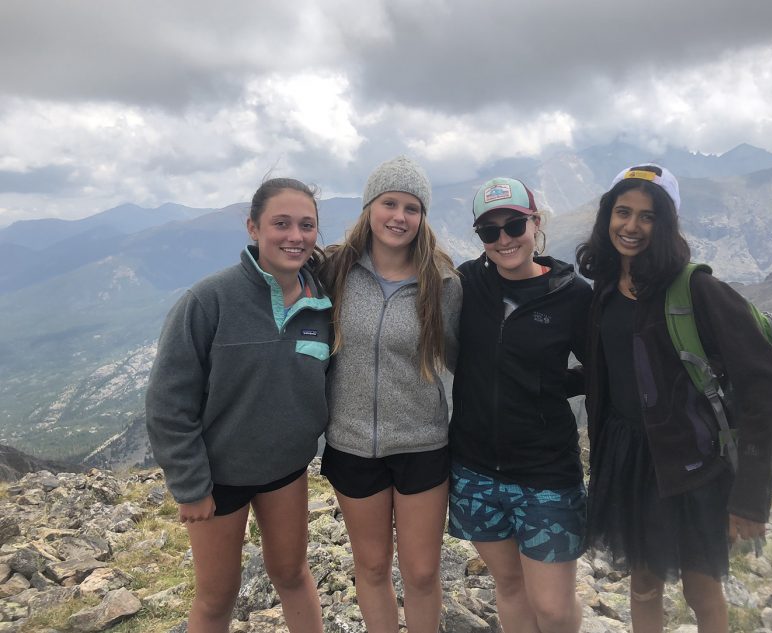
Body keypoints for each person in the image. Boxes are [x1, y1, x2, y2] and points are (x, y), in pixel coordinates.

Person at [576, 164, 772, 633]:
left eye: (647, 217)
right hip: (628, 459)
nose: (631, 227)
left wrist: (752, 496)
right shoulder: (608, 290)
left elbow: (766, 384)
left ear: (667, 224)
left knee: (701, 588)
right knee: (643, 583)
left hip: (693, 464)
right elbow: (611, 369)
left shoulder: (697, 288)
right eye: (622, 212)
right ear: (606, 217)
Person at [146, 178, 331, 633]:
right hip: (217, 476)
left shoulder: (323, 305)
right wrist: (189, 485)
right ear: (253, 227)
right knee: (217, 595)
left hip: (286, 470)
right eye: (281, 223)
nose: (295, 236)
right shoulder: (209, 300)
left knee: (291, 574)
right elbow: (169, 401)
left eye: (306, 225)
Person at [320, 155, 462, 633]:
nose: (399, 217)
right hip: (352, 443)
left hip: (422, 443)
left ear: (423, 218)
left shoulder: (442, 283)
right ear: (369, 208)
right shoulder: (334, 271)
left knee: (422, 572)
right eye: (389, 203)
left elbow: (467, 361)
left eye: (412, 207)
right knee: (374, 568)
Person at [448, 177, 592, 633]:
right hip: (474, 469)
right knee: (509, 586)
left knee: (551, 606)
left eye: (514, 225)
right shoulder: (468, 282)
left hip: (546, 472)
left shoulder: (573, 295)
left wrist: (551, 385)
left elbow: (601, 370)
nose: (504, 239)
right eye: (490, 232)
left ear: (536, 223)